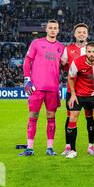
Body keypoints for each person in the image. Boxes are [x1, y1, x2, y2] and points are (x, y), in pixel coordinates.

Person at [19, 19, 65, 156]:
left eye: (55, 28)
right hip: (37, 87)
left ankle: (49, 148)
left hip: (53, 87)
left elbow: (64, 65)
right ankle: (29, 148)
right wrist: (27, 79)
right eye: (50, 27)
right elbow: (27, 61)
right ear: (46, 29)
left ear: (58, 30)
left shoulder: (61, 47)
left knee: (51, 116)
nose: (52, 30)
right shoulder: (36, 43)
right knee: (33, 115)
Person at [61, 23, 94, 156]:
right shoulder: (68, 49)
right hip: (72, 91)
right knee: (70, 118)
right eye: (79, 32)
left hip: (88, 91)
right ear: (75, 34)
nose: (81, 34)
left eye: (84, 32)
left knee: (89, 117)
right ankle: (68, 146)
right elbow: (63, 65)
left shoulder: (93, 49)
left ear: (87, 34)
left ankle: (91, 146)